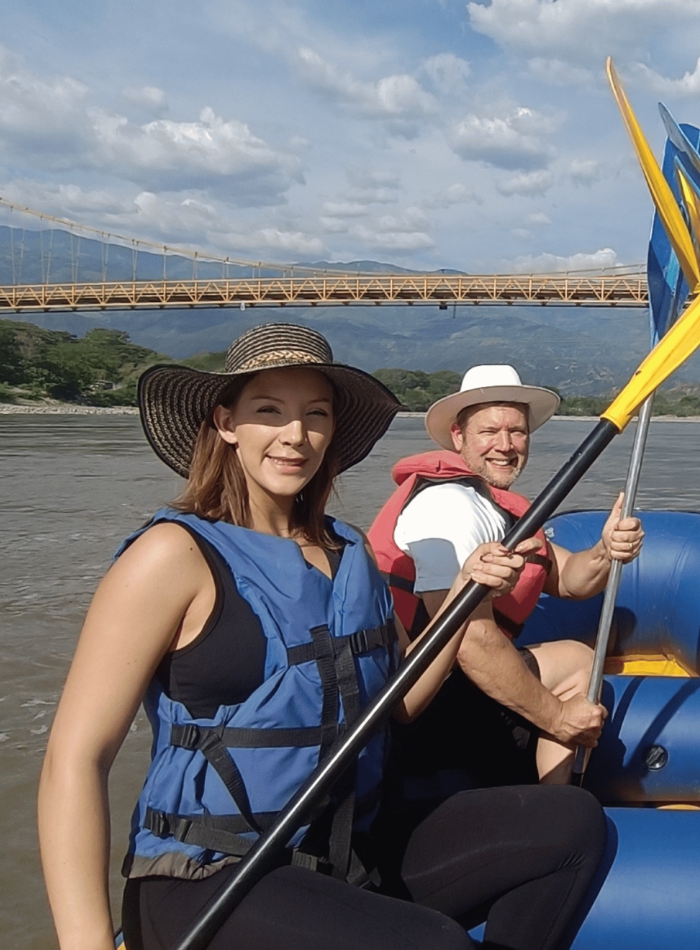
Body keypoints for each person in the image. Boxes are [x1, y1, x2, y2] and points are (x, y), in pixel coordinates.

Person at [37, 324, 605, 950]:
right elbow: (76, 758)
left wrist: (467, 596)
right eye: (268, 412)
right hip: (211, 874)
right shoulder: (170, 555)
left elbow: (400, 705)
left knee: (572, 826)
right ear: (227, 423)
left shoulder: (348, 551)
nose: (295, 436)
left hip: (340, 850)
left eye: (315, 415)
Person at [366, 363, 642, 880]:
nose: (506, 444)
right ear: (458, 437)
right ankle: (554, 816)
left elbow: (575, 578)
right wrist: (557, 720)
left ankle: (551, 809)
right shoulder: (449, 507)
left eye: (517, 431)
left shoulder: (495, 506)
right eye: (489, 431)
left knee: (575, 658)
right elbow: (466, 639)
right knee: (579, 662)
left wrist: (606, 550)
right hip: (418, 708)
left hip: (446, 693)